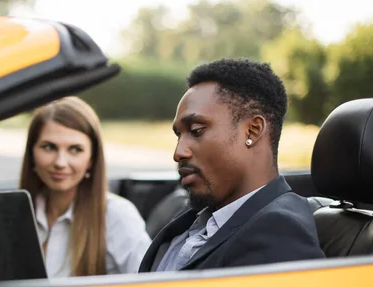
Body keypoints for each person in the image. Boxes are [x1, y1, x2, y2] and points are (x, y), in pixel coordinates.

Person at [139, 58, 325, 273]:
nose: (178, 152)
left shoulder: (279, 232)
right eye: (179, 135)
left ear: (252, 131)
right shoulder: (197, 217)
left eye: (197, 131)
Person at [19, 96, 151, 278]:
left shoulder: (117, 215)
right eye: (49, 147)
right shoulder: (17, 213)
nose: (60, 162)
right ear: (32, 152)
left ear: (91, 159)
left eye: (75, 149)